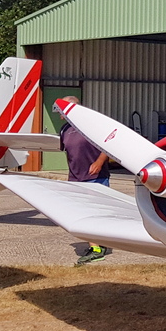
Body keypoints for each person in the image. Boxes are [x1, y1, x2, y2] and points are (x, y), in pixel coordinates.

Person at [58, 95, 112, 265]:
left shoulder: (91, 125)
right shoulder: (64, 130)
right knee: (81, 215)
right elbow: (68, 153)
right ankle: (96, 246)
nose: (60, 113)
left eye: (63, 109)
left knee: (96, 213)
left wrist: (99, 162)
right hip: (76, 178)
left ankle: (97, 248)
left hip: (96, 177)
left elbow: (108, 145)